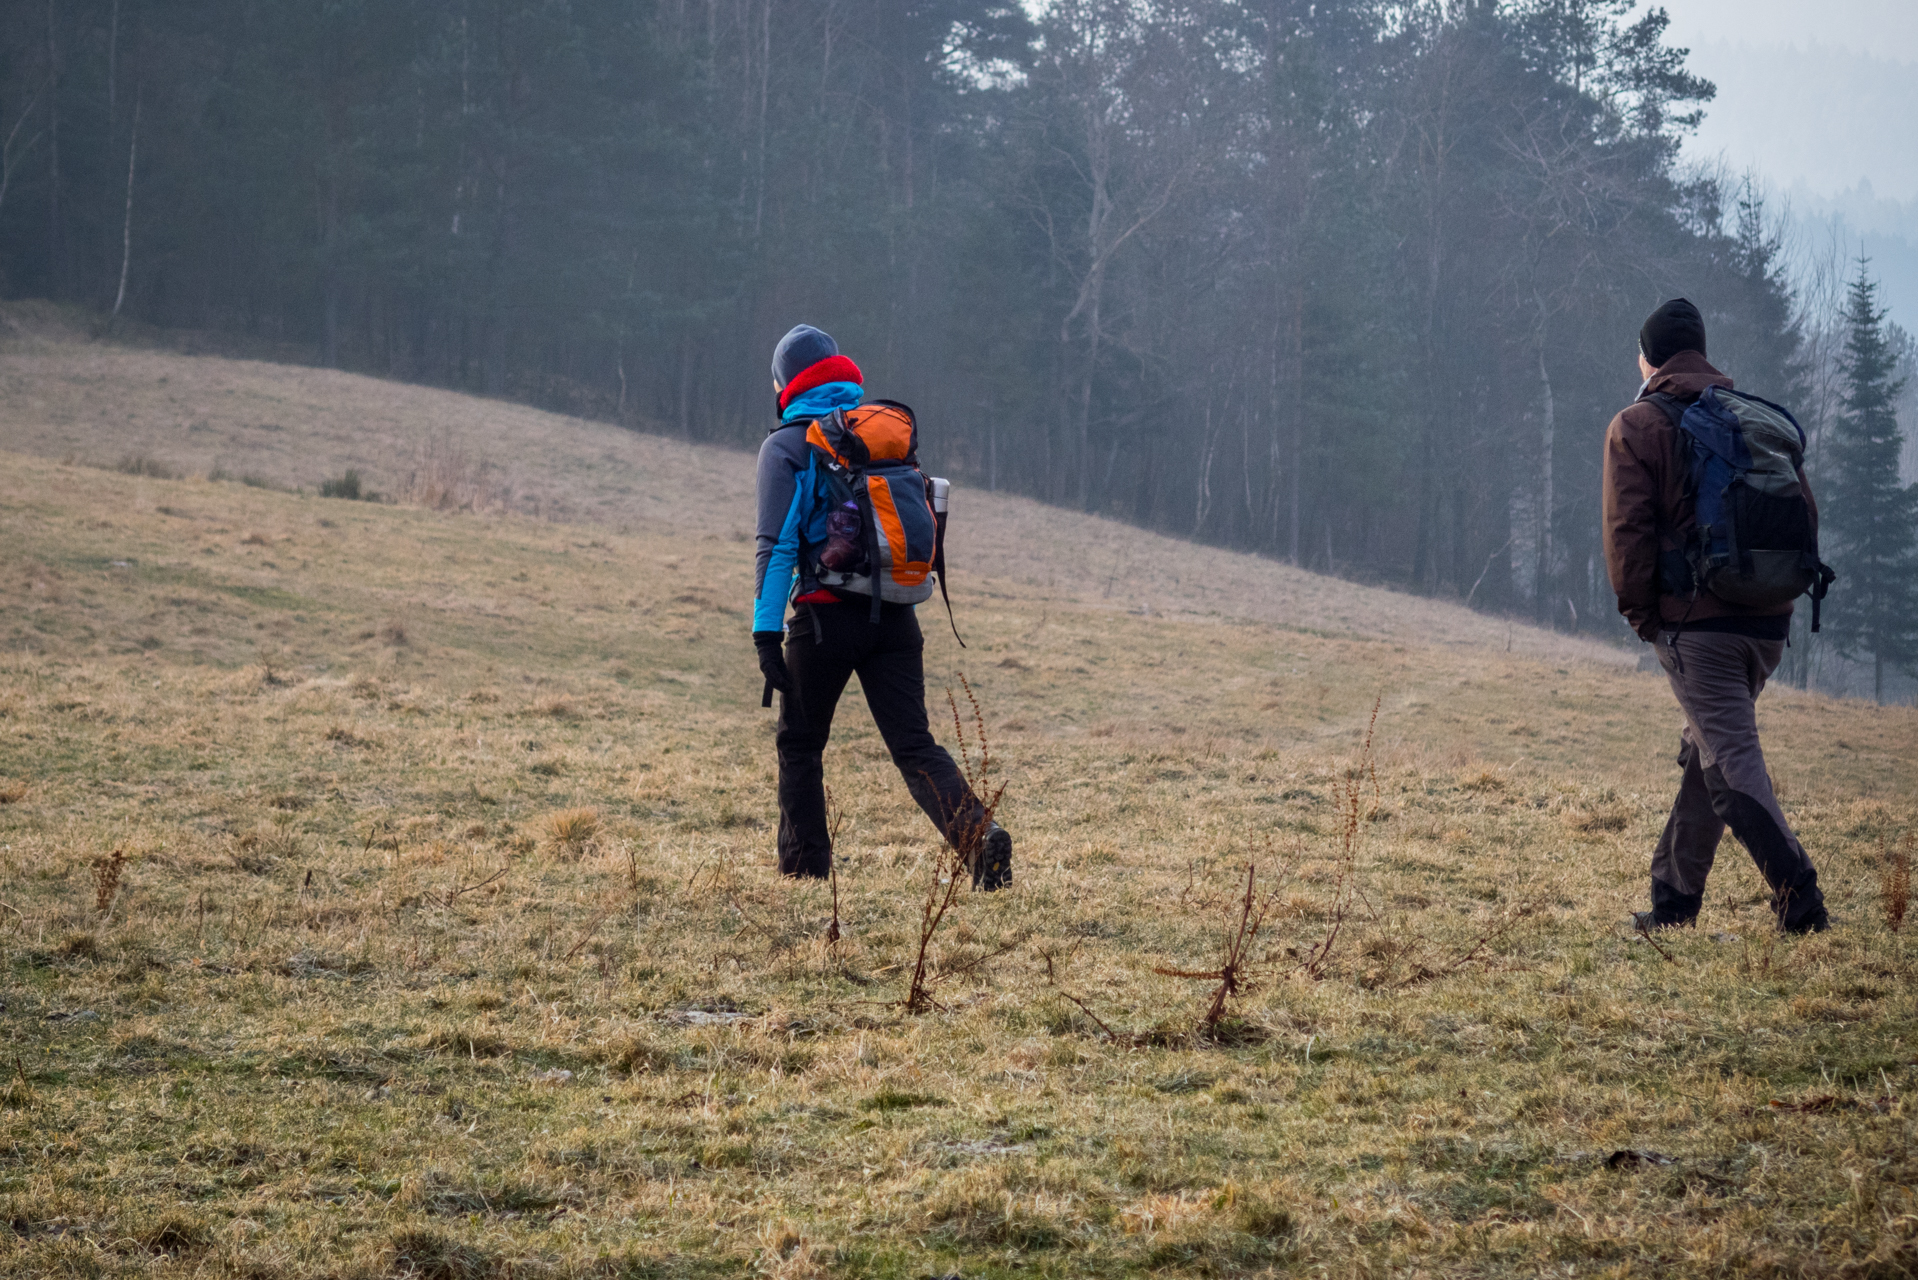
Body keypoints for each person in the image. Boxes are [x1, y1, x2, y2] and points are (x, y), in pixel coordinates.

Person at [751, 323, 1013, 889]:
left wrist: (765, 633)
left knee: (799, 742)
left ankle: (803, 875)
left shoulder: (789, 446)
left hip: (824, 619)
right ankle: (979, 836)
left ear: (784, 383)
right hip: (897, 616)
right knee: (914, 744)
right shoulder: (876, 435)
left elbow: (776, 546)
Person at [1602, 298, 1828, 934]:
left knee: (1729, 767)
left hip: (1697, 628)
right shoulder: (1749, 416)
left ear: (1649, 357)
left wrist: (1645, 617)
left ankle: (1803, 904)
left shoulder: (1638, 424)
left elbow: (1627, 534)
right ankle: (1674, 903)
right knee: (1708, 751)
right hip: (1768, 620)